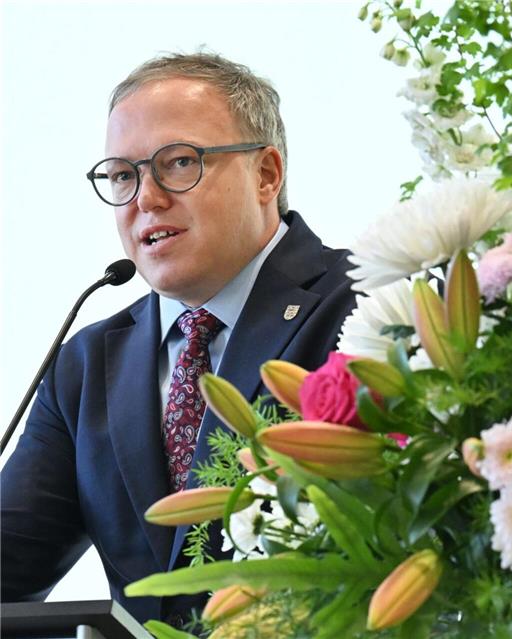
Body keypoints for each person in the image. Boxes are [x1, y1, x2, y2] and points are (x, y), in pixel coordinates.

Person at [0, 52, 356, 627]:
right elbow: (8, 564)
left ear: (266, 173)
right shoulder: (86, 365)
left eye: (179, 162)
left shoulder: (370, 307)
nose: (146, 198)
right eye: (123, 174)